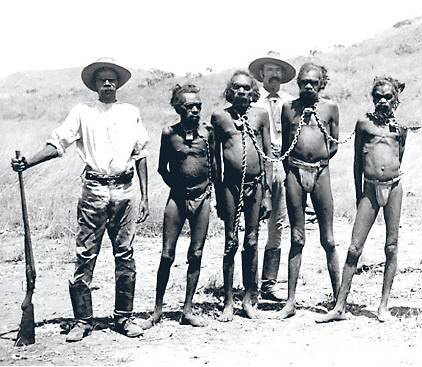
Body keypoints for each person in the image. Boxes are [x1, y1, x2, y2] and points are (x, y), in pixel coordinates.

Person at [10, 58, 149, 341]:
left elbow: (141, 153)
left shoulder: (131, 112)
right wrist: (29, 162)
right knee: (86, 255)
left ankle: (124, 318)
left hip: (125, 191)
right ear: (95, 85)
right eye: (102, 80)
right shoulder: (82, 112)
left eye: (112, 80)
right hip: (94, 192)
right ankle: (82, 321)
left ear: (118, 83)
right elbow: (57, 143)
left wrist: (145, 195)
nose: (107, 84)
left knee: (125, 255)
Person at [317, 76, 407, 323]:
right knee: (354, 247)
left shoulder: (400, 128)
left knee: (391, 246)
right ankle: (339, 306)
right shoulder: (364, 124)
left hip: (394, 188)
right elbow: (358, 162)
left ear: (396, 99)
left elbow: (400, 157)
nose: (383, 101)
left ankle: (383, 306)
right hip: (369, 189)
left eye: (388, 97)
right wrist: (360, 195)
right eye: (378, 96)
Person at [140, 84, 214, 329]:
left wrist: (206, 191)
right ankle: (157, 310)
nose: (195, 110)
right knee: (167, 254)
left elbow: (215, 166)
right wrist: (180, 189)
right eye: (189, 107)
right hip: (177, 199)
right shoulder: (169, 133)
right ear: (179, 109)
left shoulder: (208, 132)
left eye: (198, 106)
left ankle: (188, 309)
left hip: (203, 198)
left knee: (196, 253)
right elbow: (163, 168)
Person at [276, 63, 342, 319]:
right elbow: (284, 146)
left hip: (321, 171)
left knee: (328, 239)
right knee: (297, 237)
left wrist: (318, 161)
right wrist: (295, 166)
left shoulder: (331, 108)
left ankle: (339, 300)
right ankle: (290, 302)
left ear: (322, 84)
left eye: (314, 82)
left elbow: (333, 144)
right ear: (298, 84)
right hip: (294, 171)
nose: (309, 87)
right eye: (304, 82)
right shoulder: (289, 108)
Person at [211, 71, 273, 321]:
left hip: (256, 185)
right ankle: (227, 300)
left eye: (247, 88)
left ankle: (249, 298)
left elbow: (268, 154)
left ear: (253, 91)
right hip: (230, 186)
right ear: (230, 90)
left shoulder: (261, 115)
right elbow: (215, 161)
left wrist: (267, 193)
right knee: (230, 241)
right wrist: (218, 193)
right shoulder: (219, 117)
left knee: (252, 240)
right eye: (237, 87)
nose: (242, 92)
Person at [249, 52, 297, 302]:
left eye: (279, 71)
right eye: (270, 70)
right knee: (253, 223)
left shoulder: (291, 102)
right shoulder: (251, 100)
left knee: (278, 224)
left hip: (284, 161)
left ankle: (269, 283)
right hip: (259, 162)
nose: (274, 75)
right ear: (261, 74)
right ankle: (250, 285)